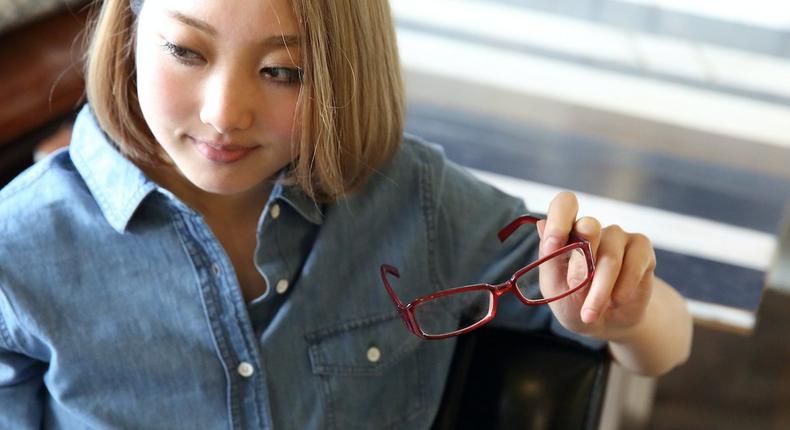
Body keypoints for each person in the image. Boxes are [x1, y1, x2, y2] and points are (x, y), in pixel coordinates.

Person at [0, 0, 692, 428]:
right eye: (186, 52)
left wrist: (627, 312)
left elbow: (669, 341)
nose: (224, 113)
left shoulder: (413, 201)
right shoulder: (17, 253)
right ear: (129, 28)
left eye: (283, 72)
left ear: (342, 72)